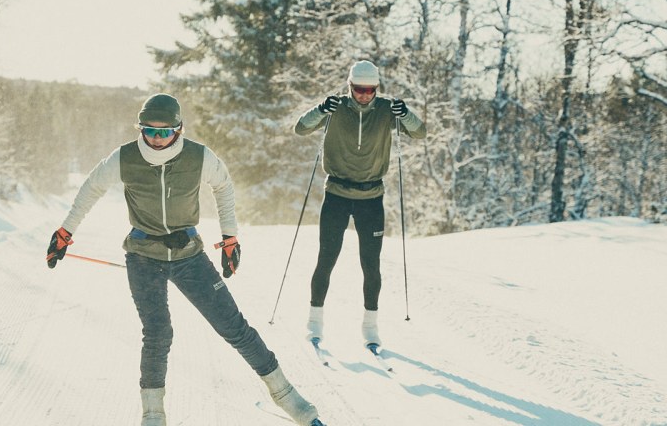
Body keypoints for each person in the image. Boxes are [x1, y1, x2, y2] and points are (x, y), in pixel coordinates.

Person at [47, 93, 327, 426]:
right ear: (141, 128)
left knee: (233, 326)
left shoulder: (198, 156)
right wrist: (65, 232)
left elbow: (223, 186)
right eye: (149, 131)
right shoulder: (125, 157)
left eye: (164, 133)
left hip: (188, 254)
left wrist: (230, 237)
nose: (156, 139)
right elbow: (91, 188)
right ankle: (153, 415)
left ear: (179, 129)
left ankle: (287, 397)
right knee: (158, 332)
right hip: (143, 255)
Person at [293, 60, 427, 348]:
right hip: (337, 194)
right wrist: (320, 110)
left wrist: (408, 114)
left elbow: (420, 132)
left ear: (376, 88)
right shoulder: (336, 107)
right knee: (326, 258)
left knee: (371, 264)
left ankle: (370, 327)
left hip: (371, 198)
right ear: (349, 86)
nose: (365, 95)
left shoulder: (386, 110)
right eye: (359, 89)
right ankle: (314, 322)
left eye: (370, 90)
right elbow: (300, 129)